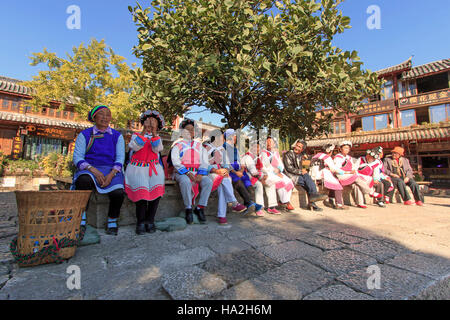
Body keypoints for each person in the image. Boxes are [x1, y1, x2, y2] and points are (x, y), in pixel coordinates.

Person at [72, 105, 125, 236]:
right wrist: (93, 170)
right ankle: (81, 215)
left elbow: (120, 158)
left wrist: (111, 175)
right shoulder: (84, 135)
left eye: (108, 115)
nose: (105, 117)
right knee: (83, 181)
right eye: (101, 114)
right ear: (94, 117)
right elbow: (77, 158)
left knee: (118, 192)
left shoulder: (117, 136)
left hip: (111, 170)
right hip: (90, 168)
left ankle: (112, 219)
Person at [125, 110, 165, 235]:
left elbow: (157, 148)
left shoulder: (157, 138)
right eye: (148, 121)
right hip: (138, 169)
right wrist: (143, 132)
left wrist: (153, 133)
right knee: (142, 196)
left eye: (154, 122)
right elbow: (135, 147)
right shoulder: (135, 135)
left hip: (154, 169)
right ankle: (141, 222)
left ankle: (150, 220)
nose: (151, 124)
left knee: (156, 195)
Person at [170, 118, 213, 224]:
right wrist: (188, 173)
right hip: (182, 173)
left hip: (197, 173)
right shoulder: (177, 145)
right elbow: (176, 161)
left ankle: (200, 208)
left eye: (192, 130)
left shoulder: (200, 146)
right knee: (185, 181)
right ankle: (188, 208)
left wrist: (201, 174)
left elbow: (204, 162)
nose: (189, 131)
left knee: (208, 181)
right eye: (187, 129)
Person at [203, 130, 245, 225]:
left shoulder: (222, 150)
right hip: (209, 173)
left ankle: (222, 216)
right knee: (225, 180)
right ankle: (233, 203)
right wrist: (216, 170)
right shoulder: (206, 148)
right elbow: (204, 164)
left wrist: (225, 170)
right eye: (221, 137)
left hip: (220, 174)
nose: (223, 139)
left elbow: (226, 164)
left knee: (223, 184)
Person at [222, 129, 264, 216]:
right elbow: (225, 163)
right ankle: (249, 203)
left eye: (235, 136)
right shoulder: (223, 148)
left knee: (247, 180)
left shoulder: (235, 149)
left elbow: (240, 161)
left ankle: (250, 203)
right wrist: (235, 172)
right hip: (230, 170)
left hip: (239, 170)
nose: (234, 138)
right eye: (233, 136)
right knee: (238, 180)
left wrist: (241, 170)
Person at [333, 141, 382, 209]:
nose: (347, 150)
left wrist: (353, 172)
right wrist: (349, 172)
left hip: (350, 176)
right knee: (356, 177)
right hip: (341, 176)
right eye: (345, 148)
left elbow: (353, 168)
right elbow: (336, 169)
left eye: (348, 148)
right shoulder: (338, 157)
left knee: (356, 185)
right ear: (340, 149)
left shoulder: (349, 157)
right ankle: (371, 192)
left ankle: (360, 203)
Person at [283, 139, 327, 211]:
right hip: (290, 175)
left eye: (299, 147)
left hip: (299, 175)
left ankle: (313, 200)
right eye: (297, 145)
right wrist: (301, 171)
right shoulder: (288, 154)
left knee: (307, 180)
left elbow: (305, 169)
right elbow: (289, 168)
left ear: (302, 149)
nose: (297, 148)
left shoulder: (302, 155)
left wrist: (305, 161)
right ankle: (313, 199)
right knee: (308, 181)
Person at [241, 143, 280, 215]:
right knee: (259, 185)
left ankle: (271, 207)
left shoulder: (257, 157)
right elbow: (252, 171)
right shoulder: (248, 156)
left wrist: (265, 175)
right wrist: (262, 177)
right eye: (255, 147)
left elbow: (261, 168)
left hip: (256, 175)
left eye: (258, 148)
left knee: (270, 183)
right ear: (251, 147)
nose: (257, 149)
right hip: (247, 176)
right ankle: (259, 208)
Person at [261, 137, 295, 212]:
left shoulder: (276, 153)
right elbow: (264, 166)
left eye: (271, 141)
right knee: (281, 182)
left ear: (274, 144)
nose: (269, 143)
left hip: (277, 172)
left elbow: (280, 163)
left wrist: (279, 170)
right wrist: (274, 172)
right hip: (268, 173)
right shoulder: (263, 153)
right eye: (267, 142)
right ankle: (286, 202)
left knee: (289, 181)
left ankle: (283, 201)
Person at [310, 144, 348, 210]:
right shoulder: (326, 157)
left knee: (334, 181)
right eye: (332, 151)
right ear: (329, 151)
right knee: (337, 185)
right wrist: (344, 172)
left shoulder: (315, 156)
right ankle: (339, 204)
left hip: (313, 176)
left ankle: (331, 200)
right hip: (321, 176)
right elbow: (333, 168)